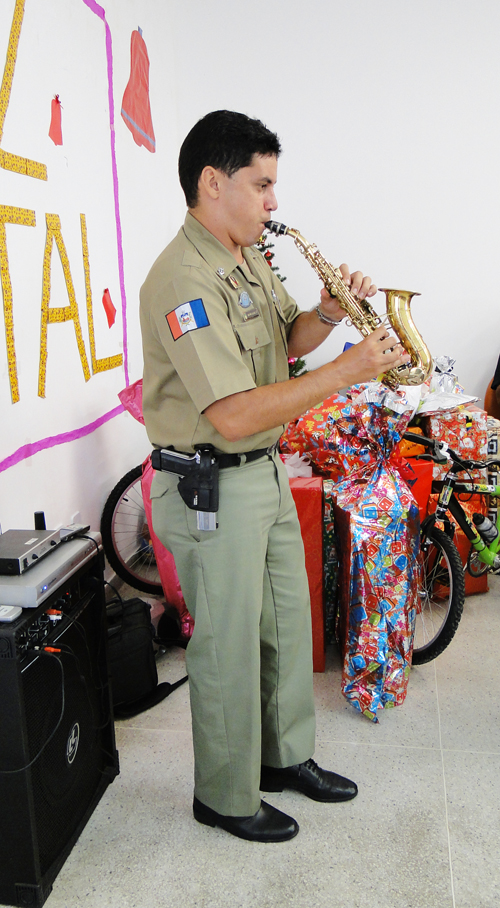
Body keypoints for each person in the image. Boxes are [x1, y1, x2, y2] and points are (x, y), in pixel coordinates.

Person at [139, 110, 410, 843]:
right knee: (225, 645)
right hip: (209, 485)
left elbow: (286, 344)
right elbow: (229, 413)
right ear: (212, 181)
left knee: (287, 625)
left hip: (261, 472)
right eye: (262, 185)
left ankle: (283, 758)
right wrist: (347, 370)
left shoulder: (247, 256)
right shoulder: (182, 279)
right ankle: (223, 796)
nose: (273, 202)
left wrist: (325, 314)